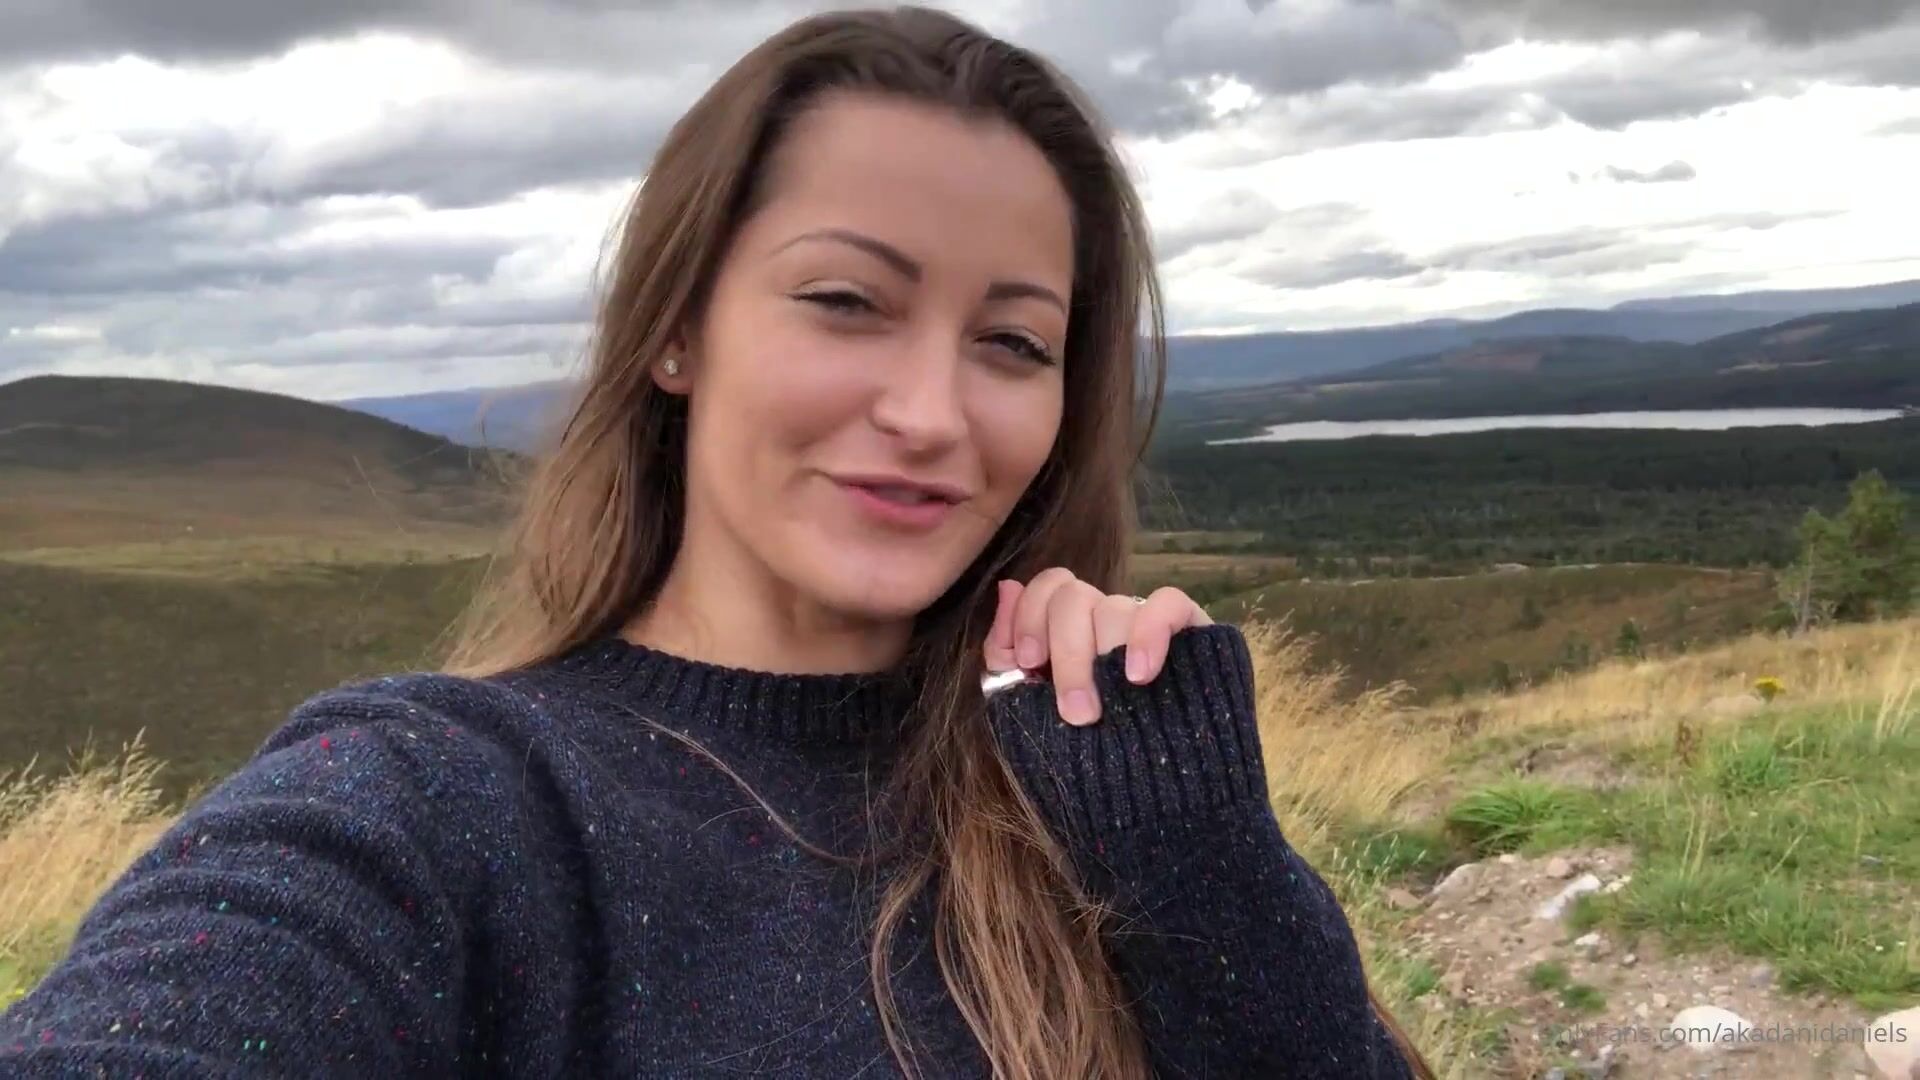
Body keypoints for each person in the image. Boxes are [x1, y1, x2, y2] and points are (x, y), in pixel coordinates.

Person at [1, 6, 1431, 1078]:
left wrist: (1197, 855)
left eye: (1012, 341)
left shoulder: (1082, 779)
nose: (931, 414)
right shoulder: (438, 802)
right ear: (679, 329)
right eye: (847, 302)